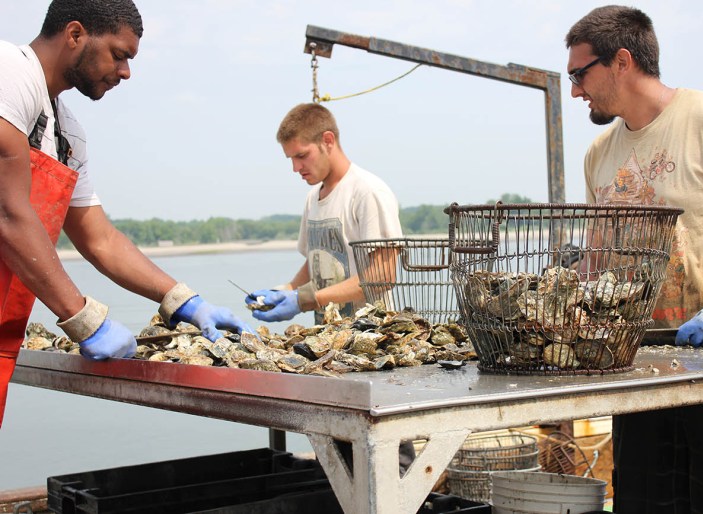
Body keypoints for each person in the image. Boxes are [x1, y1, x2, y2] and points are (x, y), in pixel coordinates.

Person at [0, 0, 254, 428]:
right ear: (75, 34)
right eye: (119, 55)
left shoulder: (67, 135)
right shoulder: (9, 73)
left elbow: (100, 239)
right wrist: (84, 319)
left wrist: (183, 301)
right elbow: (8, 215)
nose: (126, 72)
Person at [565, 6, 703, 513]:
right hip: (638, 369)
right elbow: (596, 263)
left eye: (579, 74)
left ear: (622, 61)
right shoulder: (599, 154)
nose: (574, 92)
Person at [246, 103, 403, 325]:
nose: (296, 167)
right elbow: (316, 262)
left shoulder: (367, 192)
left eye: (302, 155)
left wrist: (306, 300)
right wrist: (283, 292)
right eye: (291, 159)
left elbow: (383, 275)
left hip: (371, 335)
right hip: (326, 336)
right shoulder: (312, 198)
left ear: (328, 140)